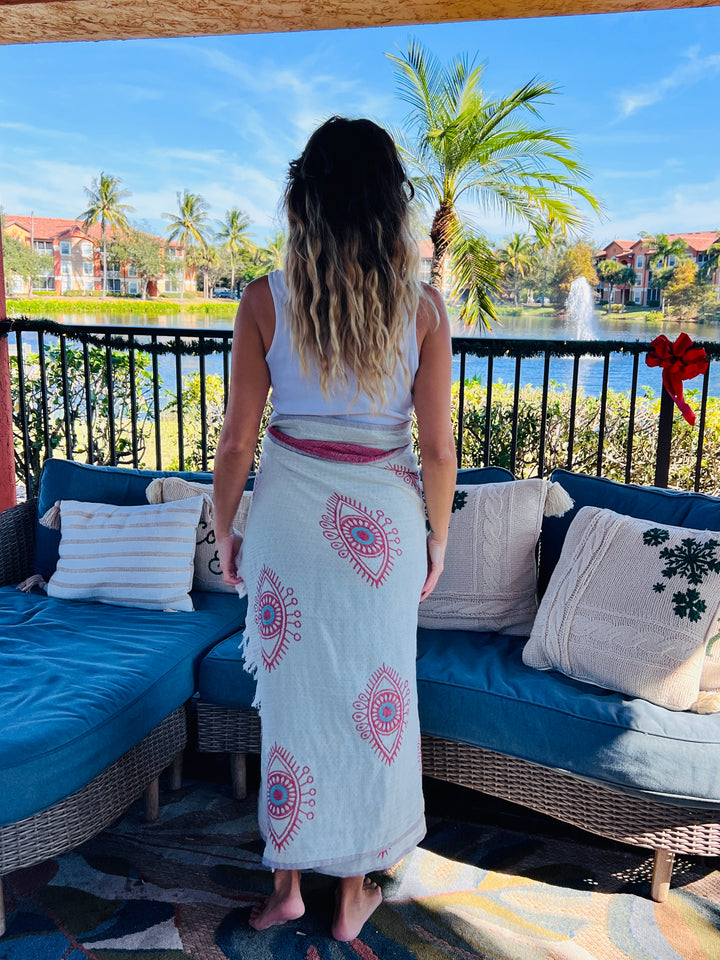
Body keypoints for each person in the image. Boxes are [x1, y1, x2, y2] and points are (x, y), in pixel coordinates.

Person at [213, 116, 455, 942]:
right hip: (383, 532)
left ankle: (286, 884)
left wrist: (225, 527)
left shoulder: (263, 300)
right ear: (391, 204)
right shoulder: (423, 310)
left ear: (303, 199)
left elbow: (237, 441)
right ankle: (353, 895)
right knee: (373, 700)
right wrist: (438, 539)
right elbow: (438, 449)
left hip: (288, 522)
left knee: (292, 706)